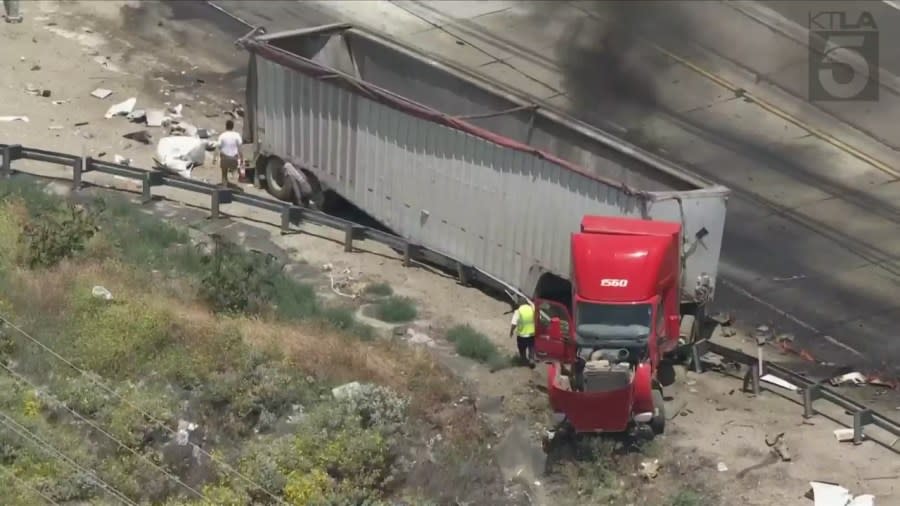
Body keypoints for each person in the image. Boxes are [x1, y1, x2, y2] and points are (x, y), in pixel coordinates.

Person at [509, 300, 536, 367]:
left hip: (522, 335)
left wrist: (511, 331)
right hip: (531, 334)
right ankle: (531, 359)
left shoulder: (518, 311)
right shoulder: (531, 308)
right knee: (531, 347)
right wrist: (527, 299)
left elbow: (514, 323)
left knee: (522, 348)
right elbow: (533, 304)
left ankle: (524, 360)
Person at [216, 120, 243, 186]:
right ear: (233, 127)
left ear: (226, 126)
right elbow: (240, 148)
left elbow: (217, 147)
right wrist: (241, 158)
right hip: (234, 158)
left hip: (225, 158)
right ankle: (235, 188)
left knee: (224, 174)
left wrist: (214, 158)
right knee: (234, 172)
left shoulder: (222, 135)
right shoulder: (237, 135)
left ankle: (224, 188)